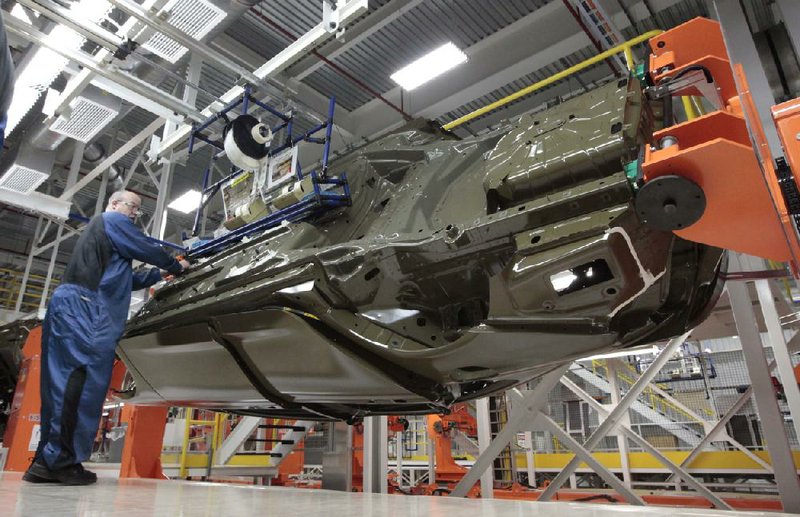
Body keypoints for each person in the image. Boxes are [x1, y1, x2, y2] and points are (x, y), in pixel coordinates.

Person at [23, 190, 190, 485]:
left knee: (63, 387)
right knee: (79, 386)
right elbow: (145, 246)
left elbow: (129, 279)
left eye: (138, 210)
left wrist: (160, 275)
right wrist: (176, 264)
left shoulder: (107, 244)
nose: (135, 214)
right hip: (86, 313)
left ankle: (47, 460)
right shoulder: (111, 220)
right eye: (132, 207)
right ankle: (58, 463)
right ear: (114, 204)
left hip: (77, 309)